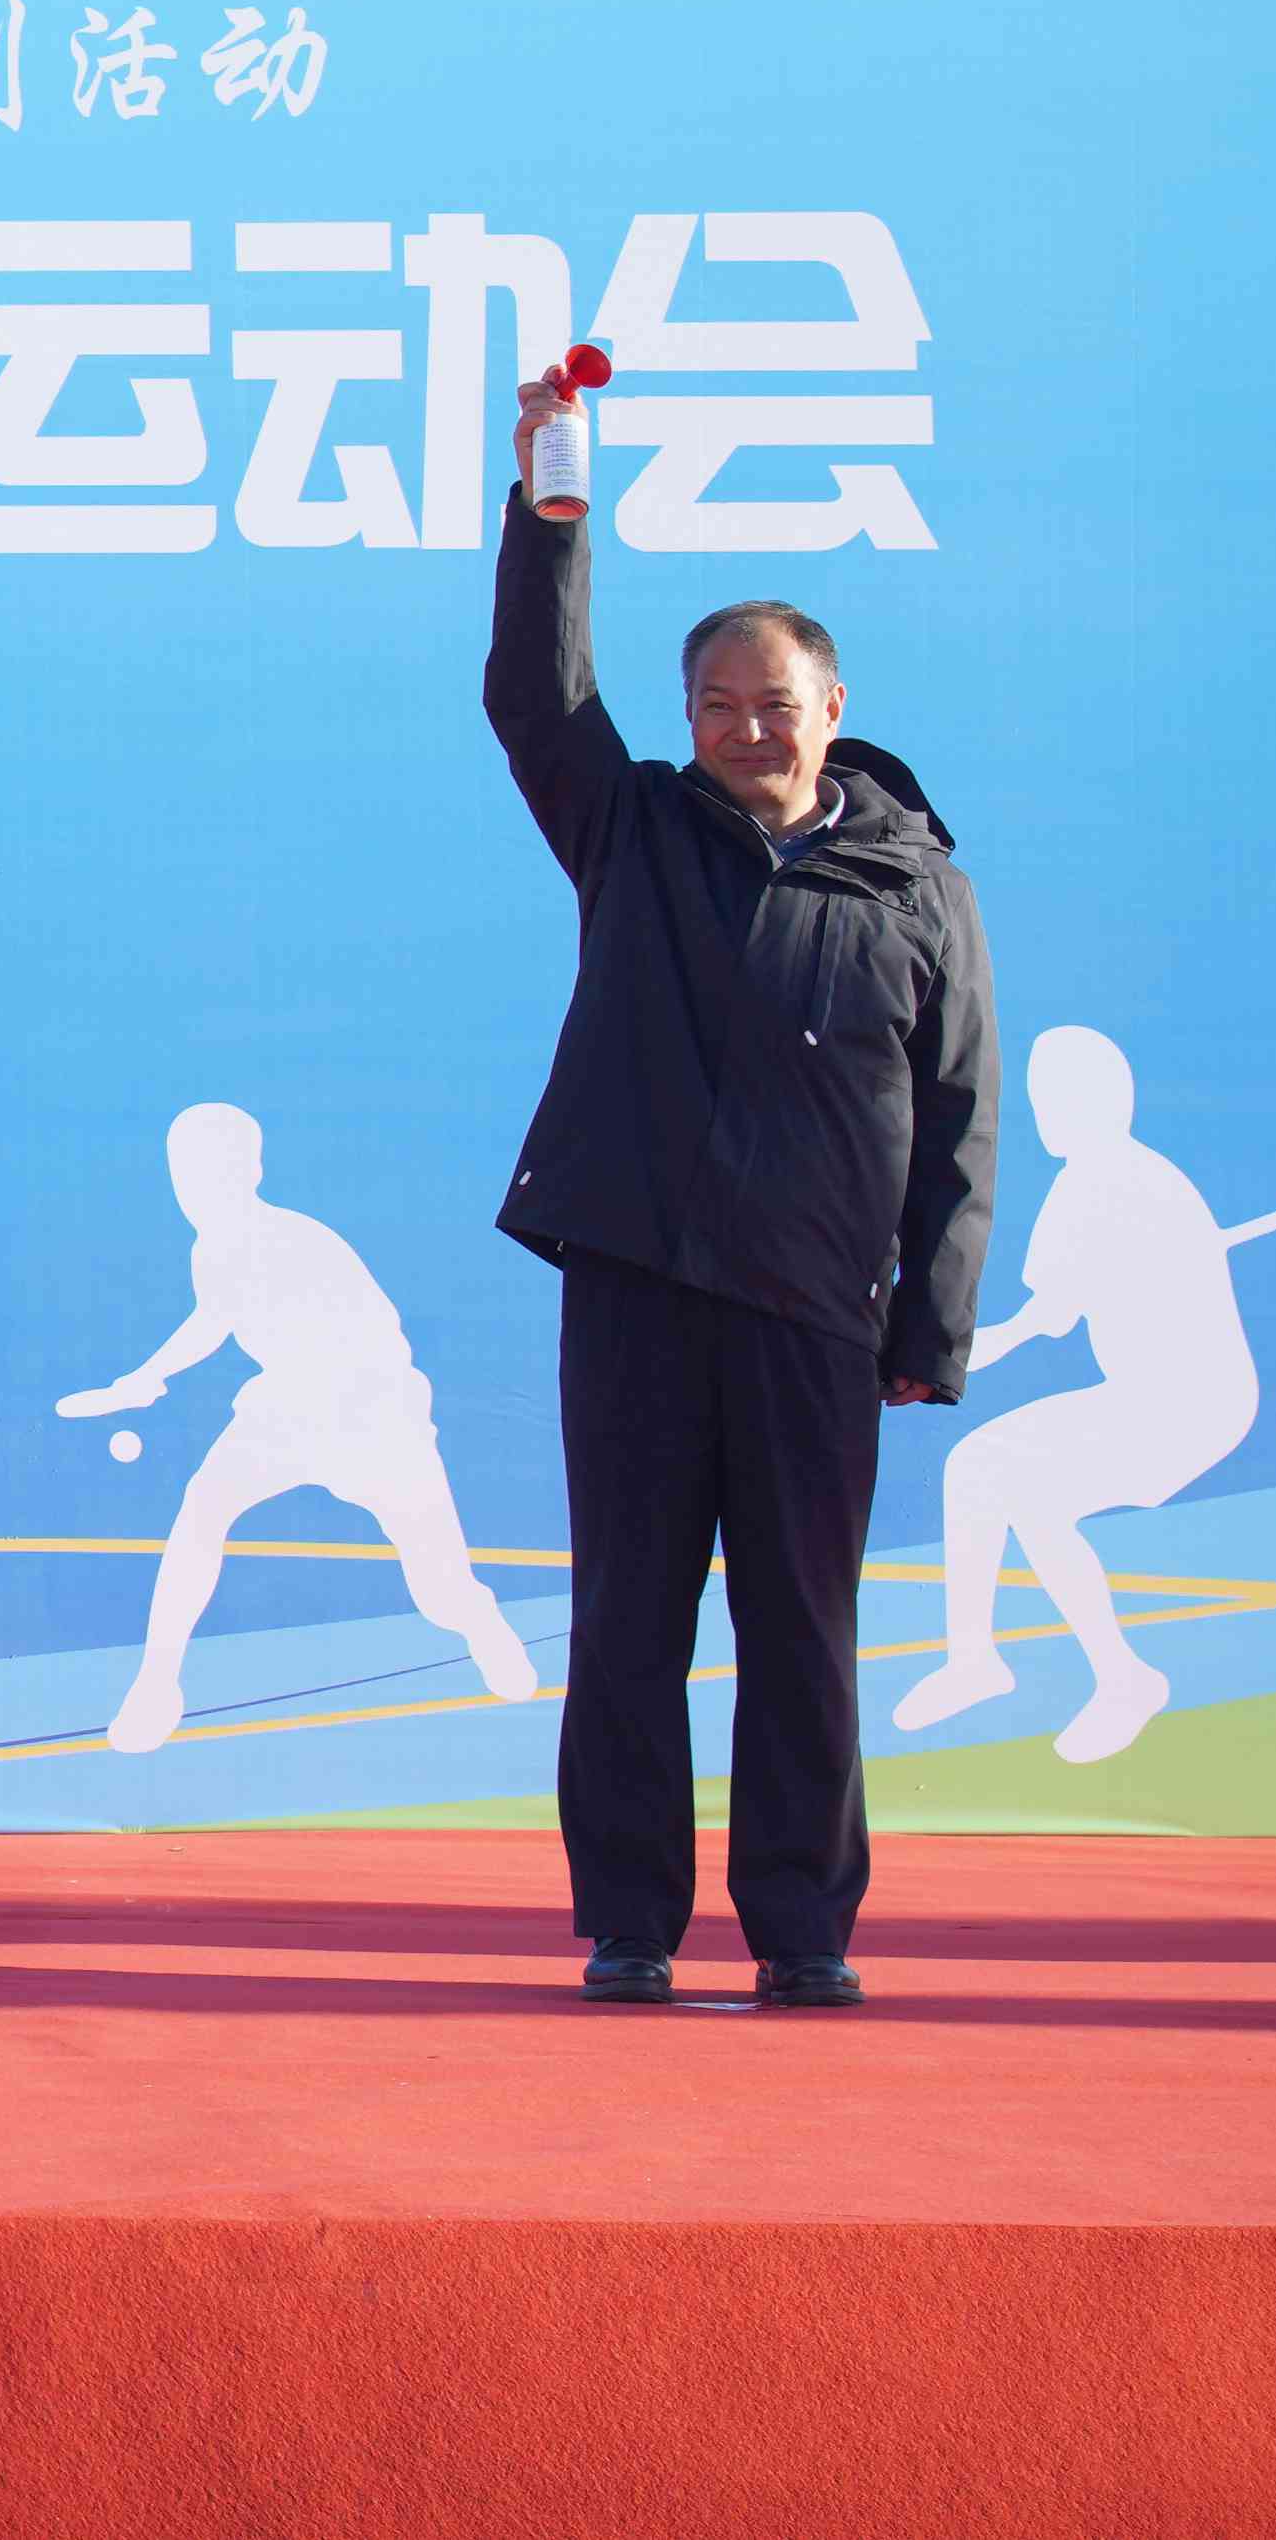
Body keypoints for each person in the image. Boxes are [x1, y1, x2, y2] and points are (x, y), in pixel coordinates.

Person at [483, 372, 992, 2010]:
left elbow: (960, 1114)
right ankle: (631, 1921)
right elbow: (534, 698)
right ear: (687, 716)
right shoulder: (631, 829)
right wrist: (551, 507)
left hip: (813, 1308)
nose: (745, 728)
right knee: (629, 1620)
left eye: (773, 702)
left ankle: (804, 1927)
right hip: (638, 1286)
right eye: (716, 703)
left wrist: (930, 1326)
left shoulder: (917, 884)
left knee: (804, 1630)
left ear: (832, 706)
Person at [59, 1103, 539, 1754]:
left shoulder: (297, 1242)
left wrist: (332, 1410)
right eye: (186, 1172)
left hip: (375, 1411)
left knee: (440, 1591)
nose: (196, 1187)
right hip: (287, 1405)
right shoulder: (210, 1248)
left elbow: (345, 1340)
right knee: (201, 1514)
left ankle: (480, 1623)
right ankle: (157, 1684)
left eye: (215, 1170)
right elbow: (212, 1319)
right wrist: (144, 1377)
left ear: (251, 1170)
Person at [894, 1026, 1251, 1765]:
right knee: (984, 1472)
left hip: (1190, 1406)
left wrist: (926, 1358)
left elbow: (1037, 1324)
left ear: (1102, 1101)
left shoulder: (1110, 1183)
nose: (1044, 1110)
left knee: (1014, 1484)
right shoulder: (1100, 1180)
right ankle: (982, 1663)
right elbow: (1051, 1317)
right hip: (1150, 1398)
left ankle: (1118, 1679)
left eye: (1057, 1096)